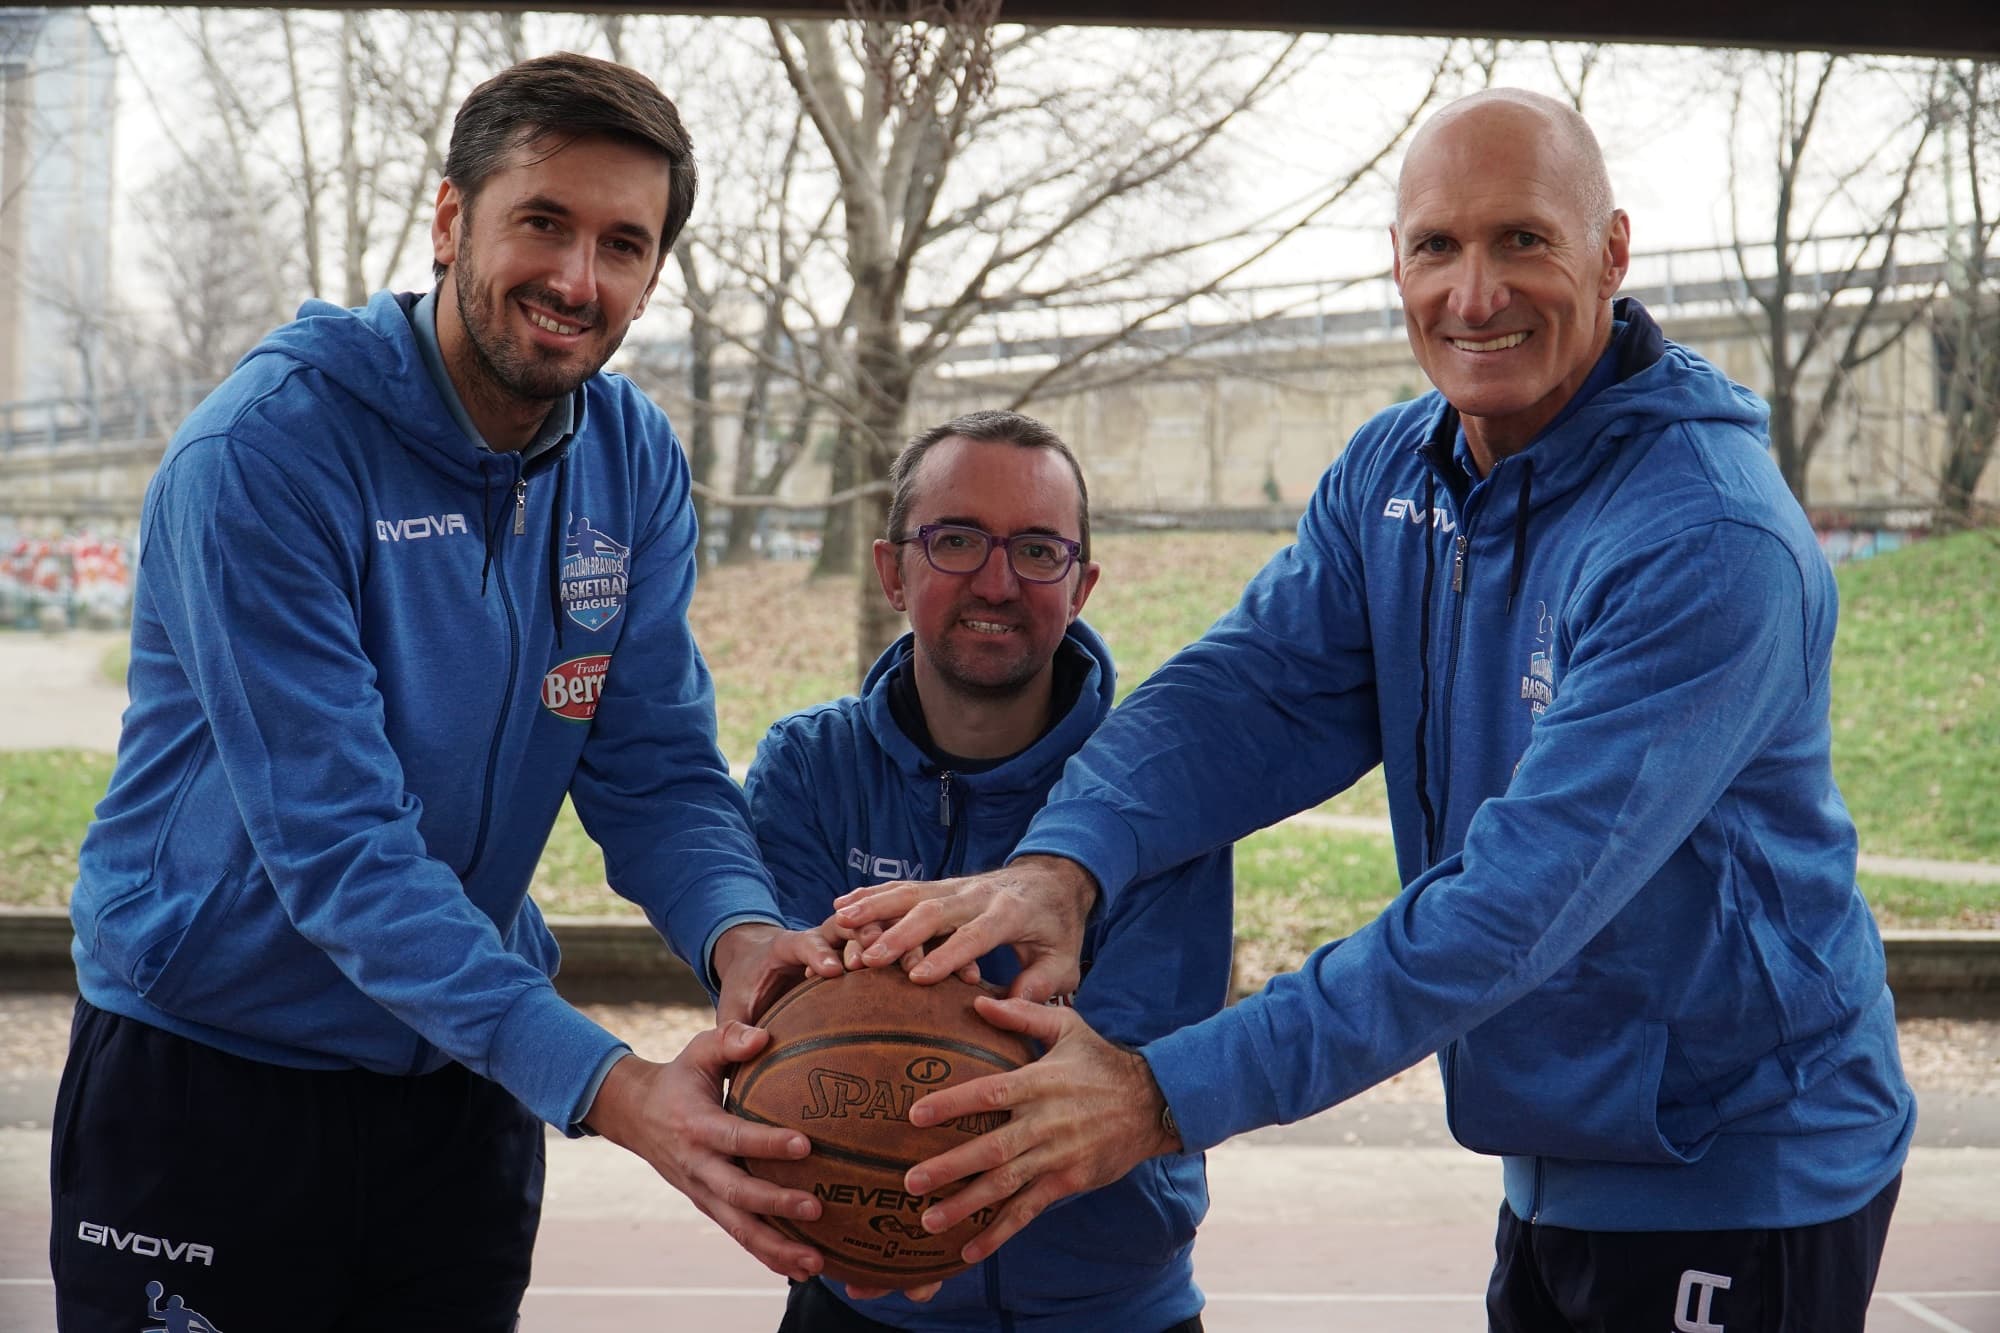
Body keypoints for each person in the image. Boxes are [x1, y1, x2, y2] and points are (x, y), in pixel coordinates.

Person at [836, 89, 1916, 1332]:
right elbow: (1251, 693)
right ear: (1395, 262)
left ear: (1610, 253)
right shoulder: (1399, 471)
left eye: (1522, 239)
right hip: (1564, 1149)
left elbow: (1505, 913)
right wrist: (1061, 864)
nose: (1472, 295)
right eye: (1436, 247)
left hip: (1742, 1162)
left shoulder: (1706, 542)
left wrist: (1158, 1091)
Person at [50, 53, 844, 1330]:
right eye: (543, 221)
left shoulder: (631, 459)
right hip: (211, 1075)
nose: (576, 280)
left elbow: (652, 766)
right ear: (448, 219)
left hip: (458, 1079)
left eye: (622, 244)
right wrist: (609, 1086)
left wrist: (743, 940)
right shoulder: (264, 453)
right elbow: (339, 848)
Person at [743, 410, 1231, 1332]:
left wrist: (903, 1025)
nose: (998, 582)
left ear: (1081, 584)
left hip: (1115, 1310)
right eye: (958, 540)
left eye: (1039, 550)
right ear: (893, 569)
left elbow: (1134, 1075)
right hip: (858, 1297)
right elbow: (790, 1036)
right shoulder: (810, 768)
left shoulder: (1157, 785)